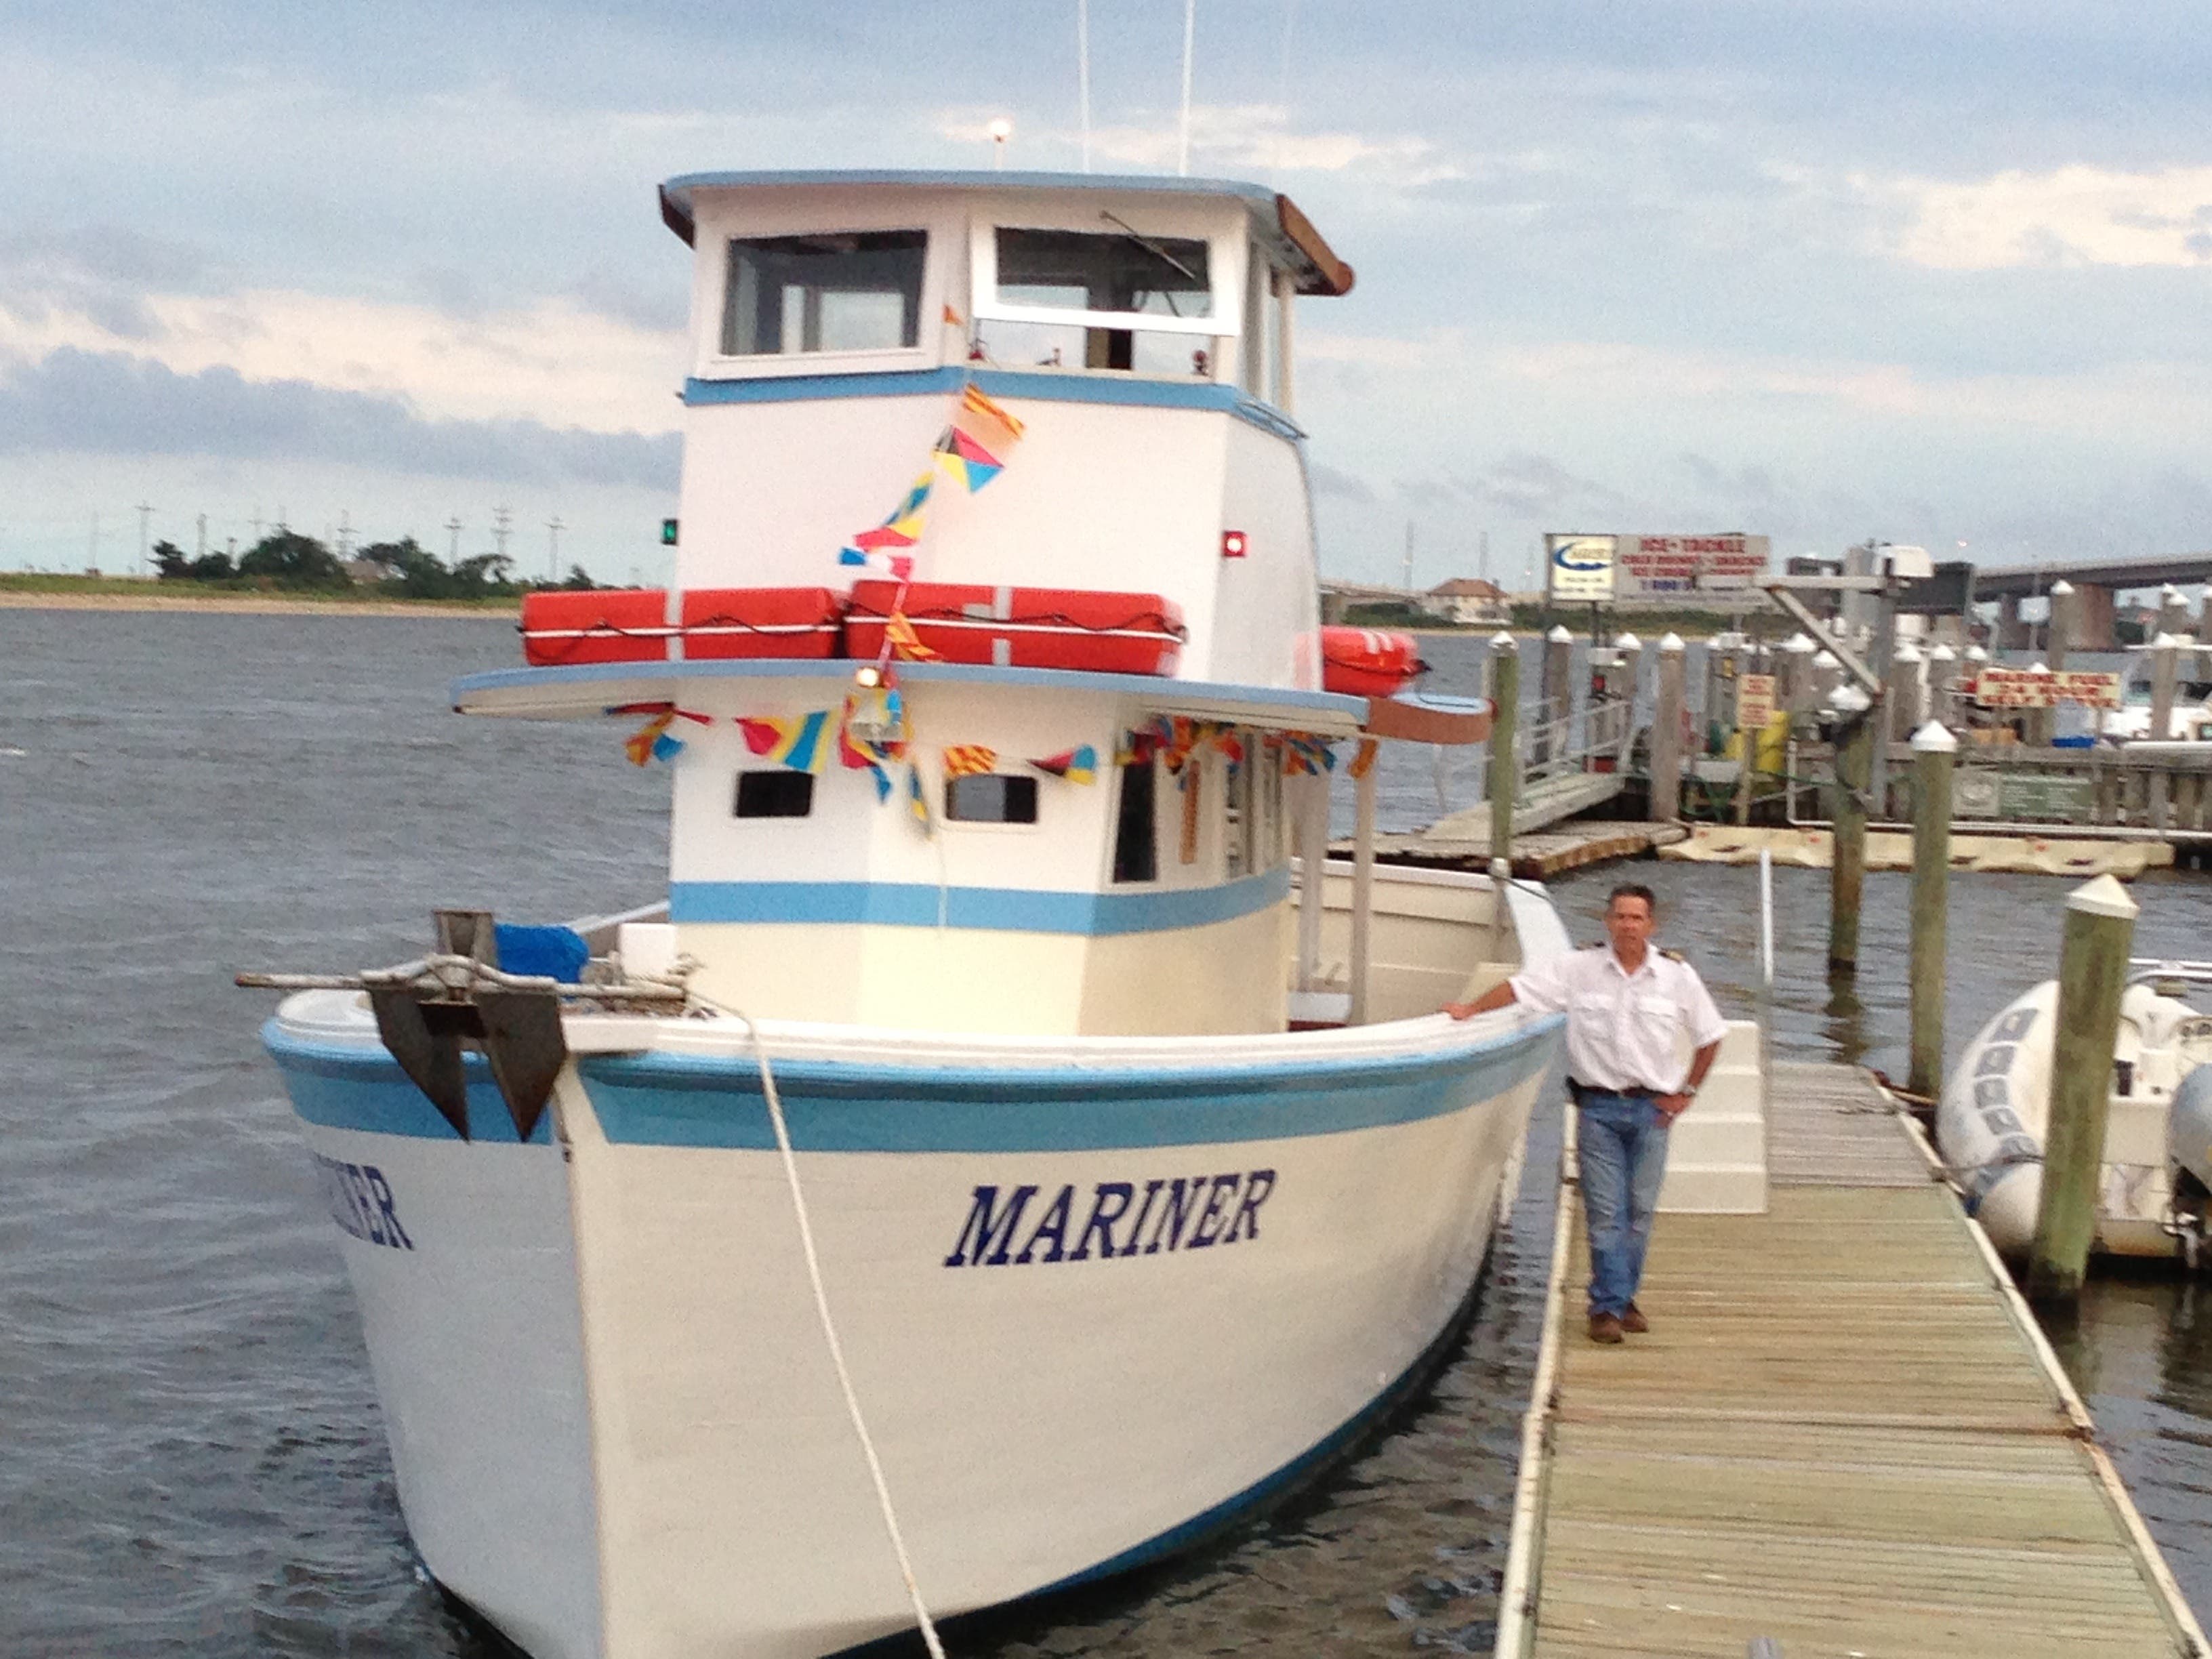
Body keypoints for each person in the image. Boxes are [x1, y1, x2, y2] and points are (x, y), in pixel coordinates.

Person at [1446, 884, 1725, 1345]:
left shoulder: (1677, 977)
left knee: (1639, 1213)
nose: (1628, 926)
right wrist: (1471, 1009)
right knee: (1605, 1213)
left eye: (1637, 918)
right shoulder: (1579, 970)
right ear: (1607, 921)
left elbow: (1710, 1035)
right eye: (1620, 917)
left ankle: (1621, 1296)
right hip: (1597, 1107)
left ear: (1651, 925)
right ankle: (1607, 1309)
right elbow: (1522, 988)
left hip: (1652, 1109)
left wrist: (1687, 1092)